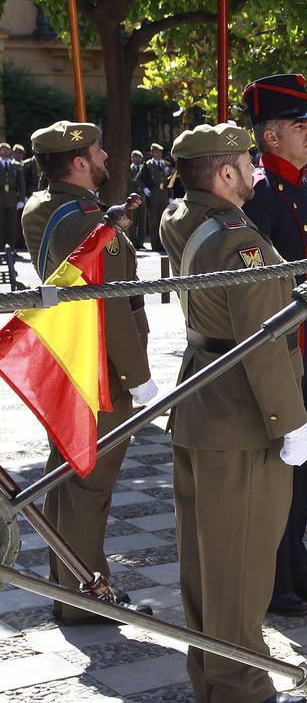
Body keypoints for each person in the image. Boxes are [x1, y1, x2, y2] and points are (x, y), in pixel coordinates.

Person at [160, 123, 307, 703]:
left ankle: (213, 675)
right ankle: (240, 685)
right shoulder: (237, 240)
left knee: (205, 563)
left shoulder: (182, 217)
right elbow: (263, 340)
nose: (255, 171)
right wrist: (289, 421)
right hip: (244, 416)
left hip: (200, 402)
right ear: (225, 174)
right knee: (241, 567)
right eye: (248, 161)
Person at [21, 121, 156, 624]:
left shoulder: (47, 207)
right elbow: (114, 307)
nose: (104, 157)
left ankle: (68, 587)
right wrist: (139, 376)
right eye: (98, 151)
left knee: (65, 476)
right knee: (88, 485)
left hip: (66, 357)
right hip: (100, 367)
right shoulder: (87, 223)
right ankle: (85, 596)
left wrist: (107, 220)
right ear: (79, 163)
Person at [241, 74, 307, 618]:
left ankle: (296, 562)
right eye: (300, 126)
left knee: (306, 461)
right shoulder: (259, 195)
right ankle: (274, 574)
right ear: (270, 136)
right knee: (279, 462)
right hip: (281, 348)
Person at [141, 142, 173, 251]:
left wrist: (170, 195)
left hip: (163, 193)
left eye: (160, 152)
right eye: (156, 152)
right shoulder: (148, 164)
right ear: (152, 153)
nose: (158, 154)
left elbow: (170, 181)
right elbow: (140, 179)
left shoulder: (166, 164)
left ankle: (162, 243)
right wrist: (145, 188)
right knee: (154, 220)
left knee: (163, 220)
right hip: (153, 193)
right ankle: (155, 244)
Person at [0, 141, 27, 253]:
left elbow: (21, 184)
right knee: (0, 224)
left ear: (10, 151)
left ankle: (11, 247)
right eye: (2, 149)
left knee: (12, 225)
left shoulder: (15, 165)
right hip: (0, 198)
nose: (4, 151)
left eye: (7, 149)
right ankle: (1, 247)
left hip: (12, 199)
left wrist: (21, 199)